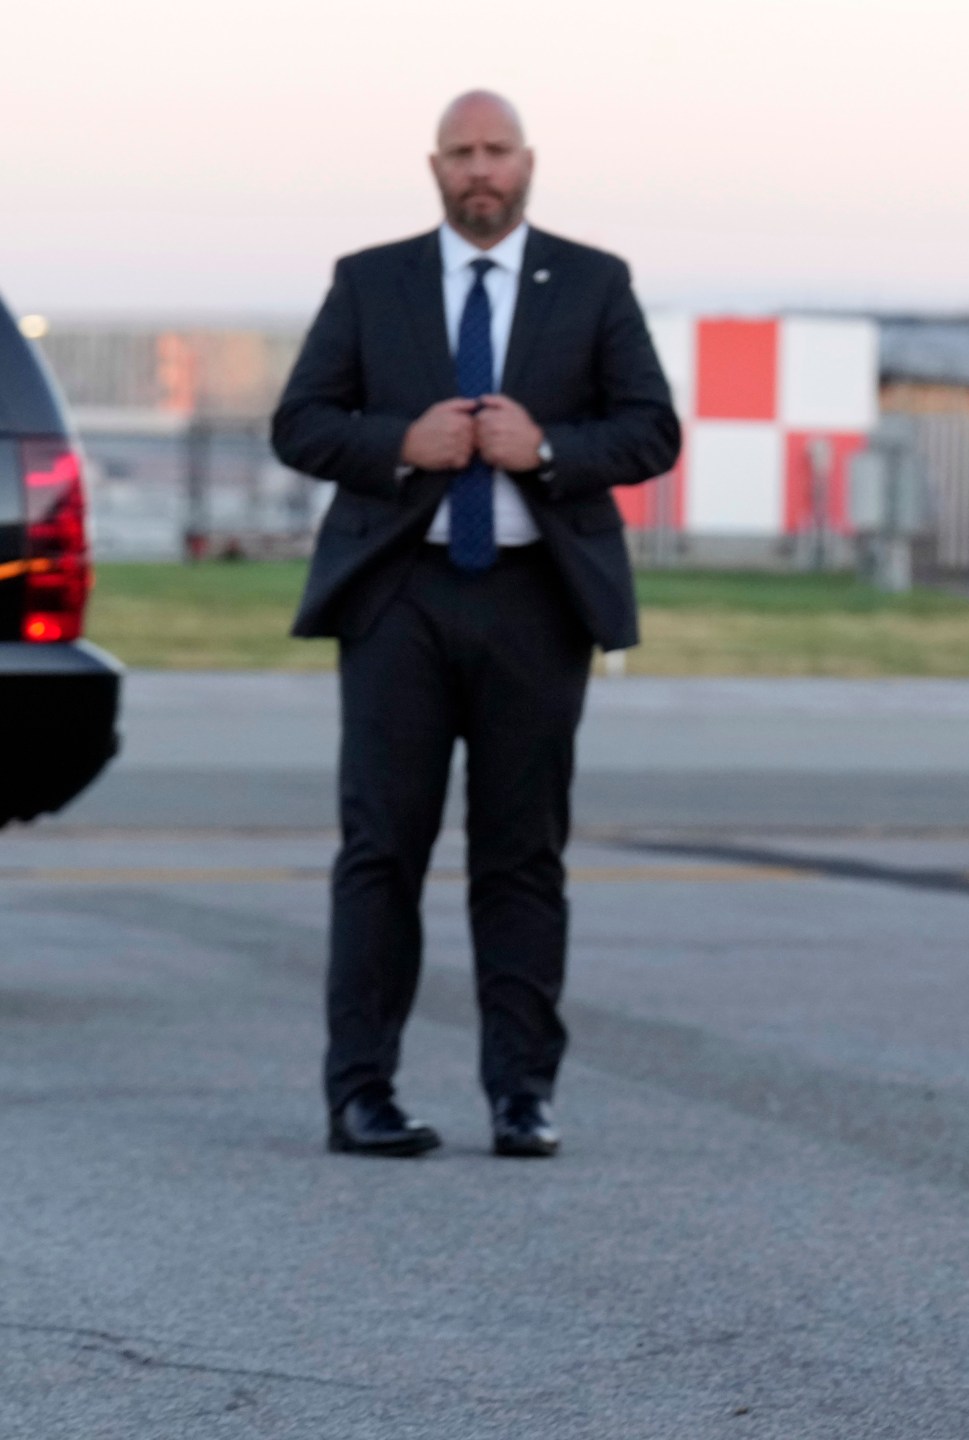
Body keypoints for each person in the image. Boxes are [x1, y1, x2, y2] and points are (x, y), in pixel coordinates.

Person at [272, 91, 680, 1160]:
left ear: (529, 161)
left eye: (496, 151)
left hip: (534, 601)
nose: (480, 170)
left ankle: (521, 1094)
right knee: (382, 851)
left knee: (520, 856)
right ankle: (361, 1094)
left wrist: (544, 452)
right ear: (434, 167)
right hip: (399, 596)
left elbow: (650, 431)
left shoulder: (593, 283)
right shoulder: (371, 281)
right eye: (461, 154)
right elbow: (300, 423)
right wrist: (398, 442)